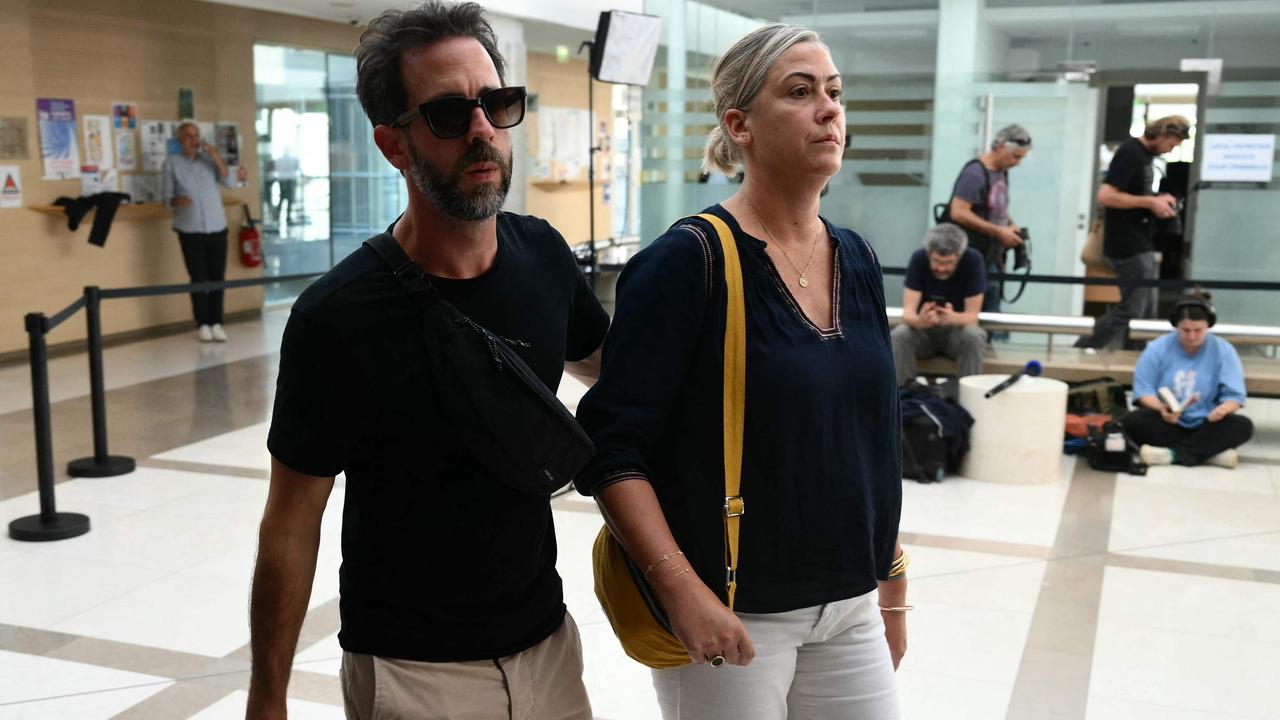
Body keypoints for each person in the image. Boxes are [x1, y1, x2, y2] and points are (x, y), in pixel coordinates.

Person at [245, 3, 608, 719]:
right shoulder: (337, 315)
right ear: (393, 145)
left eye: (496, 105)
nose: (481, 131)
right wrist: (268, 696)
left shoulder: (543, 255)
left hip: (548, 647)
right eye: (447, 115)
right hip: (412, 671)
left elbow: (614, 369)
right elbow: (291, 521)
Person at [575, 24, 906, 720]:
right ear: (740, 125)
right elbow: (612, 449)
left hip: (850, 607)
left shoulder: (859, 259)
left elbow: (871, 438)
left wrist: (891, 586)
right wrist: (681, 593)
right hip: (733, 612)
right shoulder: (687, 262)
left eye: (835, 93)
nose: (829, 110)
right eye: (800, 91)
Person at [1080, 115, 1190, 349]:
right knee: (1132, 310)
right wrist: (1150, 203)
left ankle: (1138, 357)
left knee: (1144, 313)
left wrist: (1157, 200)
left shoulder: (1146, 157)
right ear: (1161, 134)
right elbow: (1106, 196)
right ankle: (1083, 345)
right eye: (1171, 145)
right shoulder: (1131, 152)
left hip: (1141, 241)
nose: (1170, 151)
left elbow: (1134, 194)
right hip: (1127, 245)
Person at [1125, 293, 1252, 468]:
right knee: (1134, 421)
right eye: (1186, 330)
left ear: (1208, 326)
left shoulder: (1223, 350)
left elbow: (1235, 396)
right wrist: (1161, 408)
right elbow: (1143, 390)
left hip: (1207, 422)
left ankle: (1172, 454)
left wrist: (1223, 410)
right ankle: (1209, 454)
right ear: (1177, 326)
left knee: (1243, 426)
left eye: (1198, 330)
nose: (1192, 336)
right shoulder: (1157, 348)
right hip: (1170, 421)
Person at [162, 121, 248, 342]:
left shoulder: (209, 161)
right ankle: (202, 323)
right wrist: (176, 200)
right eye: (189, 136)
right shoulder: (172, 163)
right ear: (180, 140)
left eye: (196, 136)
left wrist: (215, 154)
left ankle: (217, 322)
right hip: (190, 229)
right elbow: (166, 197)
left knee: (217, 277)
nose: (194, 140)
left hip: (217, 227)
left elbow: (230, 182)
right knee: (198, 278)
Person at [945, 124, 1030, 317]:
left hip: (993, 253)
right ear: (1000, 146)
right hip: (974, 251)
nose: (1017, 163)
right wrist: (999, 231)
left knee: (992, 304)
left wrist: (1010, 225)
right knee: (980, 306)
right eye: (1016, 156)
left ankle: (988, 344)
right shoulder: (975, 173)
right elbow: (958, 212)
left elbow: (995, 206)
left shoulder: (1000, 172)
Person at [890, 223, 987, 385]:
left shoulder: (973, 260)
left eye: (948, 262)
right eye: (936, 261)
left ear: (959, 256)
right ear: (929, 255)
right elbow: (908, 314)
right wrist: (921, 321)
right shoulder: (919, 258)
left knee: (974, 335)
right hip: (924, 333)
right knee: (899, 334)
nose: (941, 268)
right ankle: (903, 396)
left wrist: (952, 318)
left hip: (956, 333)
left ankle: (968, 398)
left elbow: (972, 317)